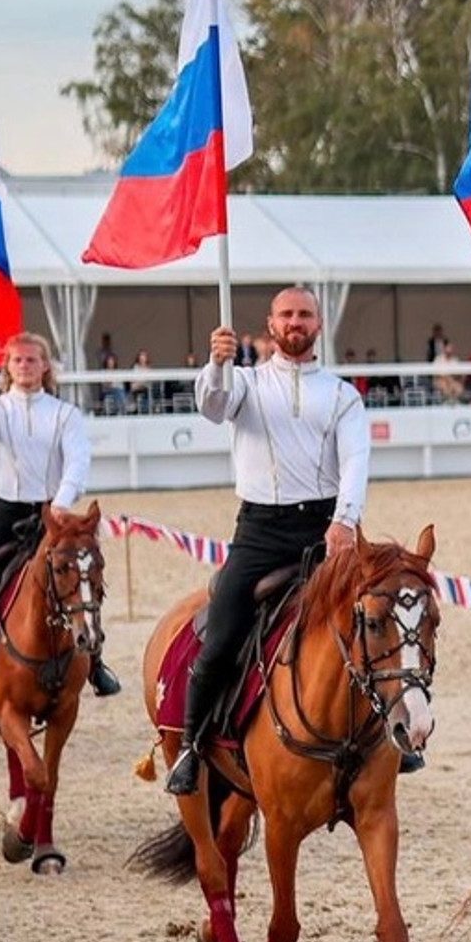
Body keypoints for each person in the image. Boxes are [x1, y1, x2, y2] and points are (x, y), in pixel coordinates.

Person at [165, 286, 382, 796]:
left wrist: (346, 521)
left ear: (318, 324)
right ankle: (193, 748)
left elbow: (355, 460)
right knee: (219, 638)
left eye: (304, 314)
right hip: (260, 532)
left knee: (373, 627)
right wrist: (218, 364)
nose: (295, 322)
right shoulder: (244, 383)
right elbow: (213, 407)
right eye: (286, 314)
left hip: (325, 530)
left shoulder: (343, 395)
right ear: (271, 324)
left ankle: (388, 738)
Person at [0, 332, 120, 706]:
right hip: (5, 511)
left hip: (53, 512)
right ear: (7, 368)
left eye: (32, 360)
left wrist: (62, 502)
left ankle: (94, 662)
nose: (25, 366)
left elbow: (78, 460)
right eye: (18, 360)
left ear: (45, 366)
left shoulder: (66, 414)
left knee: (83, 576)